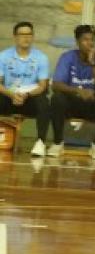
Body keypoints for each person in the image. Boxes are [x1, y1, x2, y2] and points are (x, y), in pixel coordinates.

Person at [49, 24, 95, 160]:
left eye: (92, 40)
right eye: (85, 40)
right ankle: (57, 143)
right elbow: (56, 85)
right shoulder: (67, 57)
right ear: (77, 42)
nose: (90, 43)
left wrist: (93, 64)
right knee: (57, 98)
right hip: (71, 103)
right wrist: (78, 91)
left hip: (92, 104)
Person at [0, 22, 54, 158]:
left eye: (29, 34)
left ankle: (40, 142)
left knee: (44, 102)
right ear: (15, 37)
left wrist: (26, 95)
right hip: (8, 97)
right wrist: (12, 95)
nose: (26, 38)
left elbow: (42, 86)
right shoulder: (4, 56)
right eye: (22, 34)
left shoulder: (41, 58)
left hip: (30, 98)